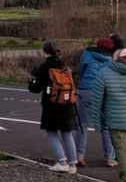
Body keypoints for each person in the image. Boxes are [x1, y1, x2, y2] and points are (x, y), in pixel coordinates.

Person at [90, 47, 126, 182]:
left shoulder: (104, 74)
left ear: (116, 59)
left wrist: (98, 124)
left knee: (122, 155)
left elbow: (96, 102)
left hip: (115, 121)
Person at [28, 41, 79, 173]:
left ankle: (62, 162)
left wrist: (31, 83)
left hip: (51, 105)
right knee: (67, 134)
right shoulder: (65, 66)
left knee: (51, 133)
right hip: (68, 104)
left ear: (46, 52)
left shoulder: (45, 68)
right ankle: (73, 165)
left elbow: (36, 88)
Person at [75, 38, 118, 167]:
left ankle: (79, 155)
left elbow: (81, 71)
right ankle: (110, 158)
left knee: (82, 125)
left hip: (87, 89)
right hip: (104, 91)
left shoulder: (87, 54)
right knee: (106, 126)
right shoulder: (112, 58)